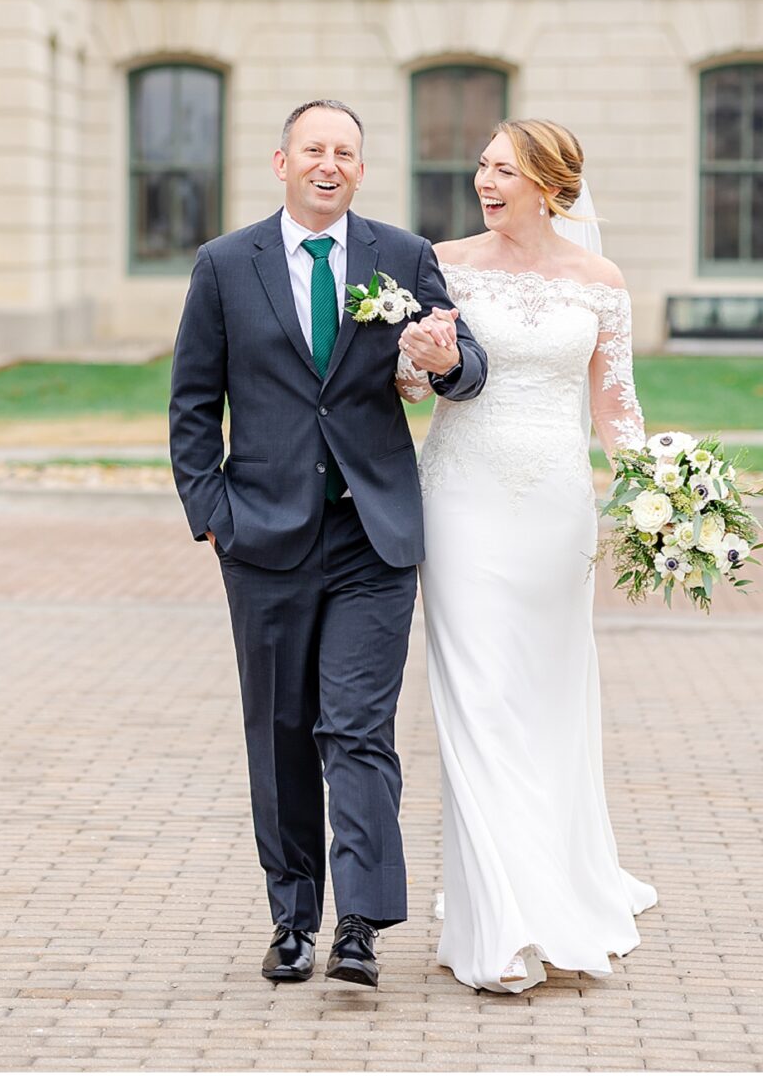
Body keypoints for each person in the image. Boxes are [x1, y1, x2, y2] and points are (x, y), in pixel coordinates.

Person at [169, 99, 488, 989]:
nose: (328, 164)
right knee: (277, 733)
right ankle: (293, 917)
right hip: (261, 537)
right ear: (281, 163)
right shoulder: (226, 265)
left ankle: (361, 925)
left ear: (359, 167)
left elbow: (469, 366)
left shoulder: (401, 257)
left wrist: (440, 356)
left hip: (369, 535)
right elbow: (193, 402)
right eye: (313, 149)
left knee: (355, 729)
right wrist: (212, 512)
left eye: (345, 152)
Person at [397, 118, 658, 995]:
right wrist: (419, 361)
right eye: (481, 165)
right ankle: (497, 924)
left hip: (554, 508)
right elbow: (407, 375)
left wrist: (666, 494)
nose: (484, 179)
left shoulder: (601, 282)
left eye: (503, 168)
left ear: (550, 183)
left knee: (543, 700)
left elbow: (615, 408)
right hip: (461, 499)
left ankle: (554, 882)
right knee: (475, 698)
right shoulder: (443, 261)